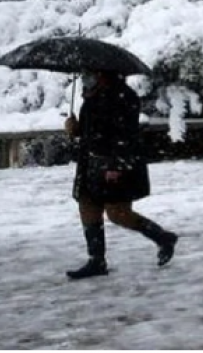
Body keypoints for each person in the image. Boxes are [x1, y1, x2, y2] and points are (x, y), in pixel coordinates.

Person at [64, 70, 178, 279]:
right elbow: (93, 131)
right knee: (87, 205)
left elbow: (125, 134)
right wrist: (76, 129)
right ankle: (96, 260)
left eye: (90, 73)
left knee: (117, 213)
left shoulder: (122, 97)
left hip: (117, 163)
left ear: (104, 74)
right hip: (91, 162)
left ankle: (162, 237)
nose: (85, 78)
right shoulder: (91, 97)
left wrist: (116, 165)